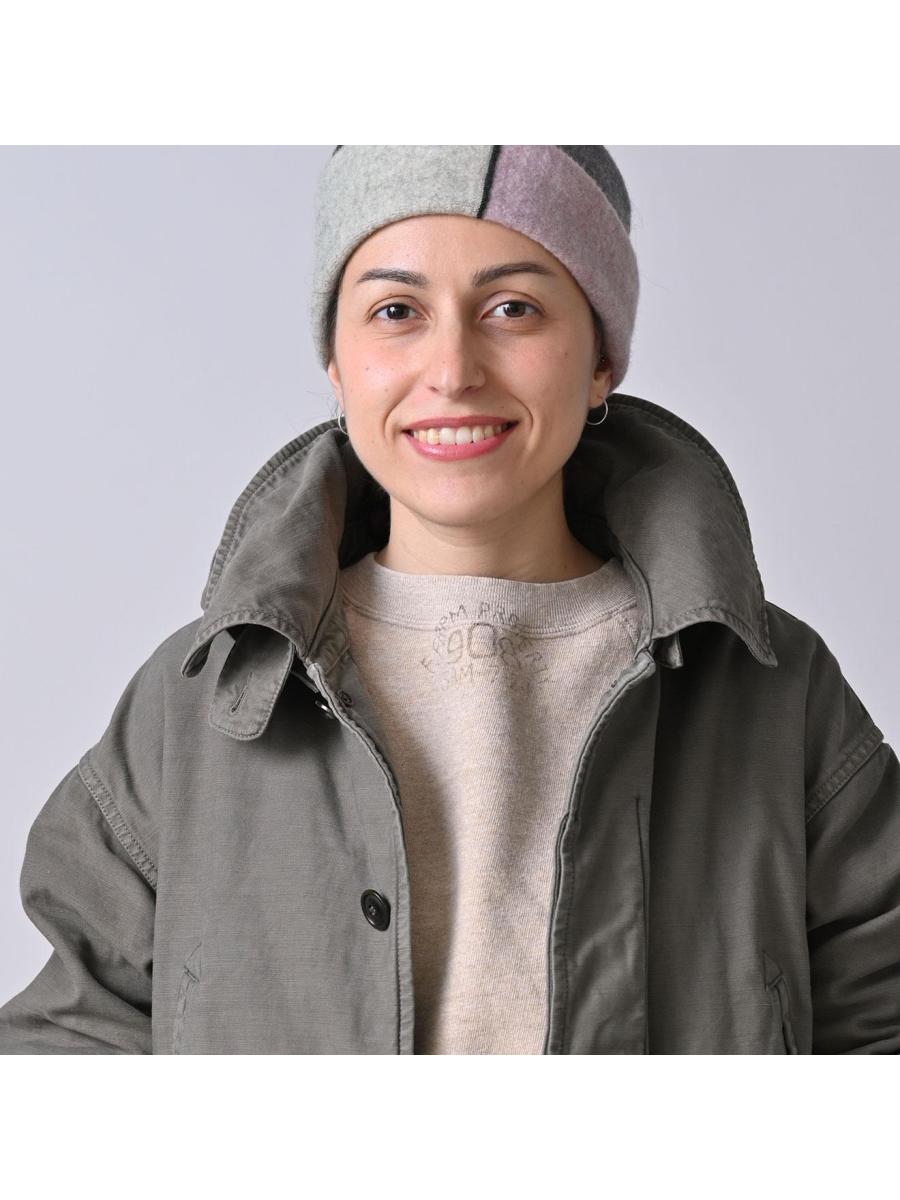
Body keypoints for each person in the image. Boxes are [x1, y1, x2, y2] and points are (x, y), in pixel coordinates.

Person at [1, 145, 897, 1054]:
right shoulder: (200, 702)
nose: (453, 369)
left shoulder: (774, 690)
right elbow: (69, 1044)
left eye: (513, 308)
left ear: (600, 360)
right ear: (337, 364)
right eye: (397, 311)